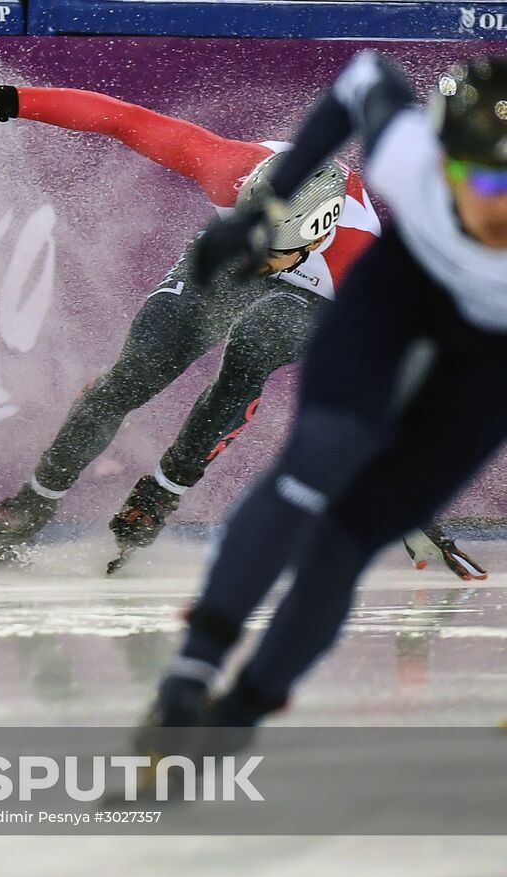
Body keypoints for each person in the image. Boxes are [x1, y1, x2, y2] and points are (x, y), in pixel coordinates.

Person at [0, 78, 484, 579]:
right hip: (223, 261)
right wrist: (6, 99)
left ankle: (159, 494)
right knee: (137, 371)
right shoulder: (228, 168)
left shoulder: (362, 269)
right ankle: (33, 503)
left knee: (253, 348)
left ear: (317, 235)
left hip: (315, 300)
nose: (260, 260)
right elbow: (122, 120)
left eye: (274, 253)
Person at [140, 52, 507, 744]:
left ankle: (240, 714)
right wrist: (272, 204)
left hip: (489, 347)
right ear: (444, 162)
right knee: (317, 458)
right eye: (479, 176)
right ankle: (189, 672)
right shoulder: (410, 157)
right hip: (401, 292)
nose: (497, 202)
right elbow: (363, 78)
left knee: (348, 542)